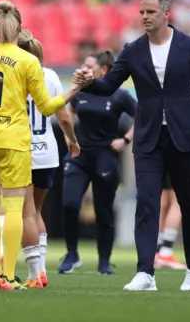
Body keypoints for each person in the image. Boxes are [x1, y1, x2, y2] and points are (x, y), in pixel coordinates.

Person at [77, 0, 190, 292]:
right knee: (147, 203)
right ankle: (145, 272)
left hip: (184, 136)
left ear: (166, 13)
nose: (144, 16)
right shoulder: (132, 50)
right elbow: (109, 86)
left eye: (150, 12)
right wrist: (88, 83)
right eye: (142, 12)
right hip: (148, 138)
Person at [0, 0, 85, 290]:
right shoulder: (28, 61)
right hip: (14, 140)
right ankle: (8, 275)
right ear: (20, 28)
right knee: (15, 209)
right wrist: (75, 88)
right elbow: (47, 105)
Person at [59, 51, 136, 276]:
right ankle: (72, 254)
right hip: (79, 155)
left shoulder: (119, 95)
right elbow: (69, 115)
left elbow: (142, 117)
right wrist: (69, 138)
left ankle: (104, 261)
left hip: (105, 155)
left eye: (89, 65)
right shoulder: (79, 92)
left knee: (104, 212)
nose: (84, 68)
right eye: (83, 63)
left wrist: (125, 140)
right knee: (70, 202)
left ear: (103, 70)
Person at [16, 29, 80, 288]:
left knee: (25, 214)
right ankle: (41, 270)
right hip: (47, 153)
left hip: (21, 151)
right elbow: (63, 117)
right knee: (37, 211)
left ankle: (36, 273)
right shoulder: (51, 76)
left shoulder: (13, 75)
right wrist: (72, 139)